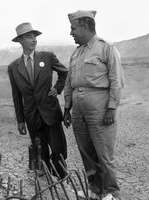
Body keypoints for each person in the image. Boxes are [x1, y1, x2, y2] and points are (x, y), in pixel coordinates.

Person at [63, 10, 124, 200]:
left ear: (85, 26)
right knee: (87, 153)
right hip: (78, 112)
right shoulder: (76, 52)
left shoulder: (106, 48)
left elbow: (116, 81)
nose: (71, 33)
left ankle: (112, 193)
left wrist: (111, 108)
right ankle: (96, 191)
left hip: (100, 110)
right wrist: (67, 108)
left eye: (73, 28)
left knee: (104, 154)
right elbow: (69, 82)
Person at [8, 22, 68, 179]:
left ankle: (61, 179)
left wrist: (58, 88)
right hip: (32, 117)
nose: (34, 40)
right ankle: (47, 180)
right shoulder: (13, 67)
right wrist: (20, 121)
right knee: (40, 151)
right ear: (20, 40)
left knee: (58, 149)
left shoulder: (48, 57)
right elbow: (16, 96)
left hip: (50, 113)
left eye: (35, 36)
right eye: (29, 37)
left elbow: (64, 73)